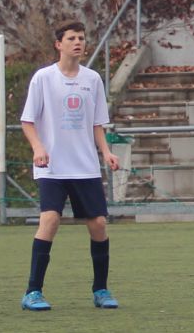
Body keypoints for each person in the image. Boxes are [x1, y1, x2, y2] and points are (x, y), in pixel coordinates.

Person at [19, 20, 120, 311]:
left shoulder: (93, 79)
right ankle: (33, 292)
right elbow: (27, 121)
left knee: (98, 224)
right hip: (52, 167)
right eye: (72, 38)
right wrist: (38, 147)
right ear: (58, 44)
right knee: (50, 220)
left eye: (81, 38)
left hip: (85, 166)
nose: (78, 42)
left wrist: (106, 152)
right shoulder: (43, 78)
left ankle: (101, 290)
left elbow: (97, 123)